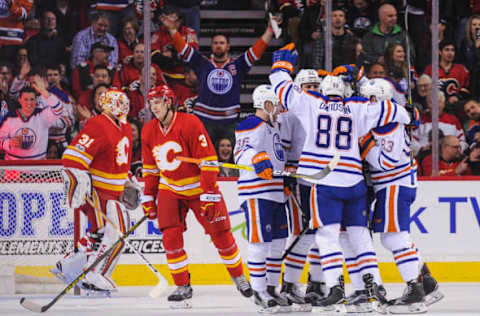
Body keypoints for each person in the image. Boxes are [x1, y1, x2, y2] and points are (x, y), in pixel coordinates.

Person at [269, 43, 413, 312]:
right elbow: (396, 111)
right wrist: (410, 114)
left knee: (327, 237)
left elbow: (283, 89)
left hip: (324, 183)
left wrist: (280, 68)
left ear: (324, 91)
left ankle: (336, 289)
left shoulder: (312, 103)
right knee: (360, 237)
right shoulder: (358, 107)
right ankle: (371, 291)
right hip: (355, 183)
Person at [140, 85, 252, 308]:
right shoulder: (148, 131)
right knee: (170, 238)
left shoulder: (190, 123)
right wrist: (148, 197)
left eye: (158, 102)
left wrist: (209, 193)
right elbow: (151, 170)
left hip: (200, 189)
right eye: (151, 103)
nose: (154, 107)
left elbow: (209, 161)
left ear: (169, 102)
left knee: (221, 235)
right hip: (170, 189)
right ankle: (183, 285)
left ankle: (239, 277)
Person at [359, 78, 444, 313]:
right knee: (393, 238)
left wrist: (365, 145)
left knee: (394, 238)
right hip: (396, 185)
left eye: (370, 99)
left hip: (394, 185)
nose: (367, 103)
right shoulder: (391, 120)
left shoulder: (389, 126)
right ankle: (426, 283)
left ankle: (414, 293)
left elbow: (385, 162)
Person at [55, 88, 134, 293]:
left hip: (114, 192)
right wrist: (79, 179)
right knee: (118, 232)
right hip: (98, 191)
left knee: (100, 233)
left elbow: (117, 159)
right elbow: (72, 157)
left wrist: (129, 179)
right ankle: (95, 274)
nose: (124, 106)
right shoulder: (98, 124)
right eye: (120, 102)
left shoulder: (123, 126)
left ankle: (70, 265)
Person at [160, 12, 279, 147]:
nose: (218, 45)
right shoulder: (203, 63)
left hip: (229, 121)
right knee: (204, 158)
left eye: (221, 43)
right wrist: (172, 30)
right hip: (204, 120)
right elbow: (183, 49)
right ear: (211, 46)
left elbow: (256, 51)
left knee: (232, 160)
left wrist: (269, 30)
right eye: (215, 43)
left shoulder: (237, 65)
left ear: (228, 46)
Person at [234, 84, 289, 312]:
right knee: (260, 243)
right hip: (257, 192)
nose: (278, 108)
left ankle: (271, 288)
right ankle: (259, 291)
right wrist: (254, 159)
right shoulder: (251, 124)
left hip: (276, 192)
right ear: (266, 104)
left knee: (278, 244)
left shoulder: (272, 126)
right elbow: (241, 153)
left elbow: (275, 157)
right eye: (274, 104)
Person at [0, 76, 63, 160]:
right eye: (26, 99)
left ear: (36, 101)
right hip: (13, 166)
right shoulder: (10, 117)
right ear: (19, 100)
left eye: (32, 99)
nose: (29, 103)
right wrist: (9, 143)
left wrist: (43, 91)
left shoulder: (43, 115)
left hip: (37, 168)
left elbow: (58, 109)